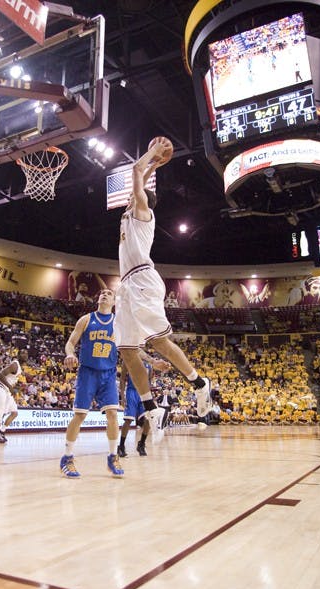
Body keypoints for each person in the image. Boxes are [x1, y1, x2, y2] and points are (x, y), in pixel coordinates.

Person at [114, 138, 211, 427]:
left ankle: (199, 383)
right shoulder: (131, 213)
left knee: (158, 341)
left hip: (143, 279)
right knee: (128, 350)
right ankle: (150, 406)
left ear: (141, 198)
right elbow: (138, 180)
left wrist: (149, 156)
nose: (130, 196)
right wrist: (153, 165)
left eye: (135, 195)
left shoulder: (143, 213)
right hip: (127, 287)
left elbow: (134, 173)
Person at [60, 288, 124, 478]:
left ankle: (113, 456)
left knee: (112, 414)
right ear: (98, 298)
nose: (104, 294)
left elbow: (131, 349)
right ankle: (67, 457)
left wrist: (152, 362)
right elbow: (71, 342)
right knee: (79, 416)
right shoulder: (86, 319)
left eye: (109, 293)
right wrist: (70, 354)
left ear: (114, 302)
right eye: (102, 292)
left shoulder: (118, 324)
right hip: (87, 372)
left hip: (109, 373)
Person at [117, 352, 168, 457]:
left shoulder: (149, 365)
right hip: (131, 392)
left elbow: (148, 381)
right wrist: (122, 396)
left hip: (144, 393)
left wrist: (149, 398)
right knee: (128, 419)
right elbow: (122, 379)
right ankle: (121, 446)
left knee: (148, 419)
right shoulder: (127, 359)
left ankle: (142, 444)